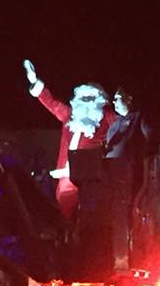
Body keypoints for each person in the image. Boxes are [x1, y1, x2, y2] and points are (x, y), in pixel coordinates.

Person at [22, 59, 118, 218]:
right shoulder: (69, 117)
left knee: (91, 212)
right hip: (66, 176)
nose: (87, 102)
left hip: (91, 177)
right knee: (66, 208)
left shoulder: (106, 117)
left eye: (91, 98)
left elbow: (124, 126)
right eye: (83, 99)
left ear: (100, 100)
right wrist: (34, 81)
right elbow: (51, 103)